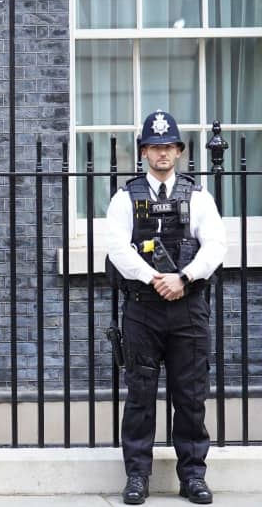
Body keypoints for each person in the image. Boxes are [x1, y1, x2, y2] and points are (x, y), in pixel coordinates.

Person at [106, 110, 226, 505]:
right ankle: (137, 476)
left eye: (169, 147)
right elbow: (118, 248)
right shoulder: (125, 198)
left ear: (179, 152)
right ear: (144, 152)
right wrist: (153, 278)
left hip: (188, 308)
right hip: (142, 308)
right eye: (155, 147)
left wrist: (184, 278)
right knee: (140, 394)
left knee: (190, 395)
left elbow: (216, 246)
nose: (162, 153)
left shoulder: (199, 197)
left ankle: (193, 476)